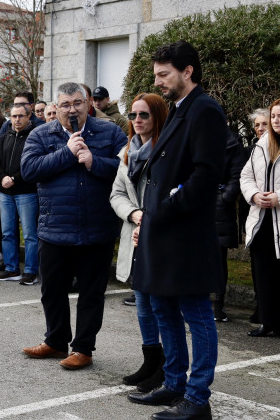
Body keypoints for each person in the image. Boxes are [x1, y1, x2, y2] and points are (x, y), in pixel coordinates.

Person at [129, 41, 227, 420]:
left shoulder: (205, 110)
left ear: (187, 71)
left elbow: (206, 175)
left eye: (164, 74)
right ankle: (174, 384)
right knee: (161, 307)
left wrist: (167, 207)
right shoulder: (181, 110)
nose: (158, 81)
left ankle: (197, 399)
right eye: (156, 74)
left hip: (184, 234)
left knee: (196, 313)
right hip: (162, 230)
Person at [21, 82, 127, 371]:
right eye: (66, 104)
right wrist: (66, 153)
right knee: (52, 290)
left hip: (97, 227)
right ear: (57, 107)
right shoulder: (41, 134)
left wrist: (95, 162)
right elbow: (29, 170)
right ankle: (56, 341)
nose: (72, 109)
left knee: (91, 293)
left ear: (88, 103)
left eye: (77, 103)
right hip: (55, 226)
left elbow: (128, 171)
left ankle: (83, 348)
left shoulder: (111, 132)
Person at [109, 92, 168, 392]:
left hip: (158, 235)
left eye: (144, 115)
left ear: (158, 116)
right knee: (142, 303)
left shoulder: (167, 150)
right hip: (135, 232)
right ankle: (150, 361)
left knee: (159, 304)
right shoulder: (127, 152)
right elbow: (116, 194)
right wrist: (133, 213)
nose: (138, 120)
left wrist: (148, 217)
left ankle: (166, 367)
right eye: (133, 115)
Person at [241, 98, 280, 338]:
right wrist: (255, 195)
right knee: (263, 274)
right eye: (274, 116)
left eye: (279, 117)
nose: (276, 121)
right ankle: (268, 321)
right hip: (261, 221)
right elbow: (245, 176)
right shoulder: (261, 145)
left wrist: (278, 198)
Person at [0, 104, 39, 284]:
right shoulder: (5, 137)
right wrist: (3, 177)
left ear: (29, 117)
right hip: (5, 192)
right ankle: (11, 269)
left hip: (26, 192)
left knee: (29, 234)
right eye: (13, 116)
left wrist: (14, 178)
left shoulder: (34, 137)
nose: (17, 120)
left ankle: (30, 271)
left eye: (20, 116)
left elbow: (33, 164)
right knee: (8, 233)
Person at [213, 127, 247, 322]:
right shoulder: (196, 136)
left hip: (220, 206)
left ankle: (219, 304)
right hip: (199, 205)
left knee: (219, 258)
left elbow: (237, 176)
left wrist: (224, 198)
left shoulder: (233, 144)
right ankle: (197, 301)